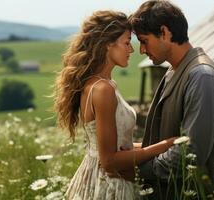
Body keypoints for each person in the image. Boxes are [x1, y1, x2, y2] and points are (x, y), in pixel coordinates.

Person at [53, 10, 177, 200]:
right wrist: (164, 146)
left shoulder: (100, 84)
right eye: (127, 43)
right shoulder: (103, 89)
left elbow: (119, 146)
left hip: (97, 176)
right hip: (108, 184)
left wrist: (155, 146)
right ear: (107, 44)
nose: (132, 50)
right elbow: (109, 161)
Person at [129, 1, 214, 199]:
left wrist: (137, 170)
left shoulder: (202, 76)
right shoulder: (173, 71)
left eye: (144, 40)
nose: (141, 50)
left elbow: (191, 152)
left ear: (164, 32)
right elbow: (164, 137)